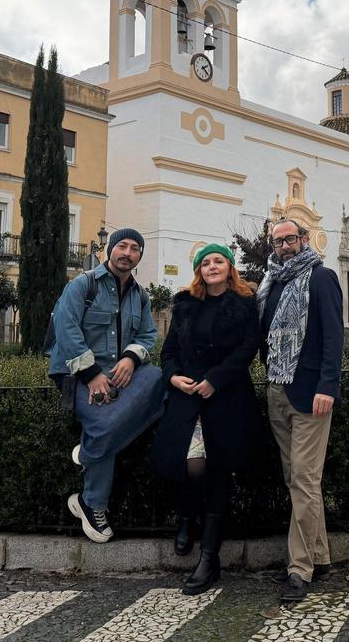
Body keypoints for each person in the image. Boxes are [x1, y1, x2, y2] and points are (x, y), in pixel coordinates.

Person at [151, 244, 263, 595]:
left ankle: (209, 557)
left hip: (226, 396)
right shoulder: (185, 304)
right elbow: (169, 351)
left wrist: (216, 379)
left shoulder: (245, 304)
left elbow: (249, 348)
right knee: (190, 464)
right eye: (206, 262)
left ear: (230, 268)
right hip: (188, 398)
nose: (212, 266)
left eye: (219, 261)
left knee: (217, 469)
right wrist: (172, 376)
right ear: (199, 270)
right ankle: (187, 514)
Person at [47, 227, 164, 544]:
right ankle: (92, 504)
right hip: (77, 374)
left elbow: (148, 336)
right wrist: (92, 374)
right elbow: (66, 329)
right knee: (101, 421)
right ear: (109, 250)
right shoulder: (82, 285)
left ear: (139, 256)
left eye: (135, 248)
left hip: (119, 372)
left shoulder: (140, 295)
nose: (127, 252)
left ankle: (88, 452)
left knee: (157, 379)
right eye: (122, 246)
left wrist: (130, 359)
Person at [258, 219, 344, 603]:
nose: (283, 246)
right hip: (277, 388)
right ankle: (320, 556)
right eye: (277, 241)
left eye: (290, 239)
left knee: (305, 479)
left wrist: (328, 385)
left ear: (303, 240)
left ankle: (300, 568)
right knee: (297, 478)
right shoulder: (271, 282)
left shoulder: (321, 277)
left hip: (309, 393)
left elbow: (333, 334)